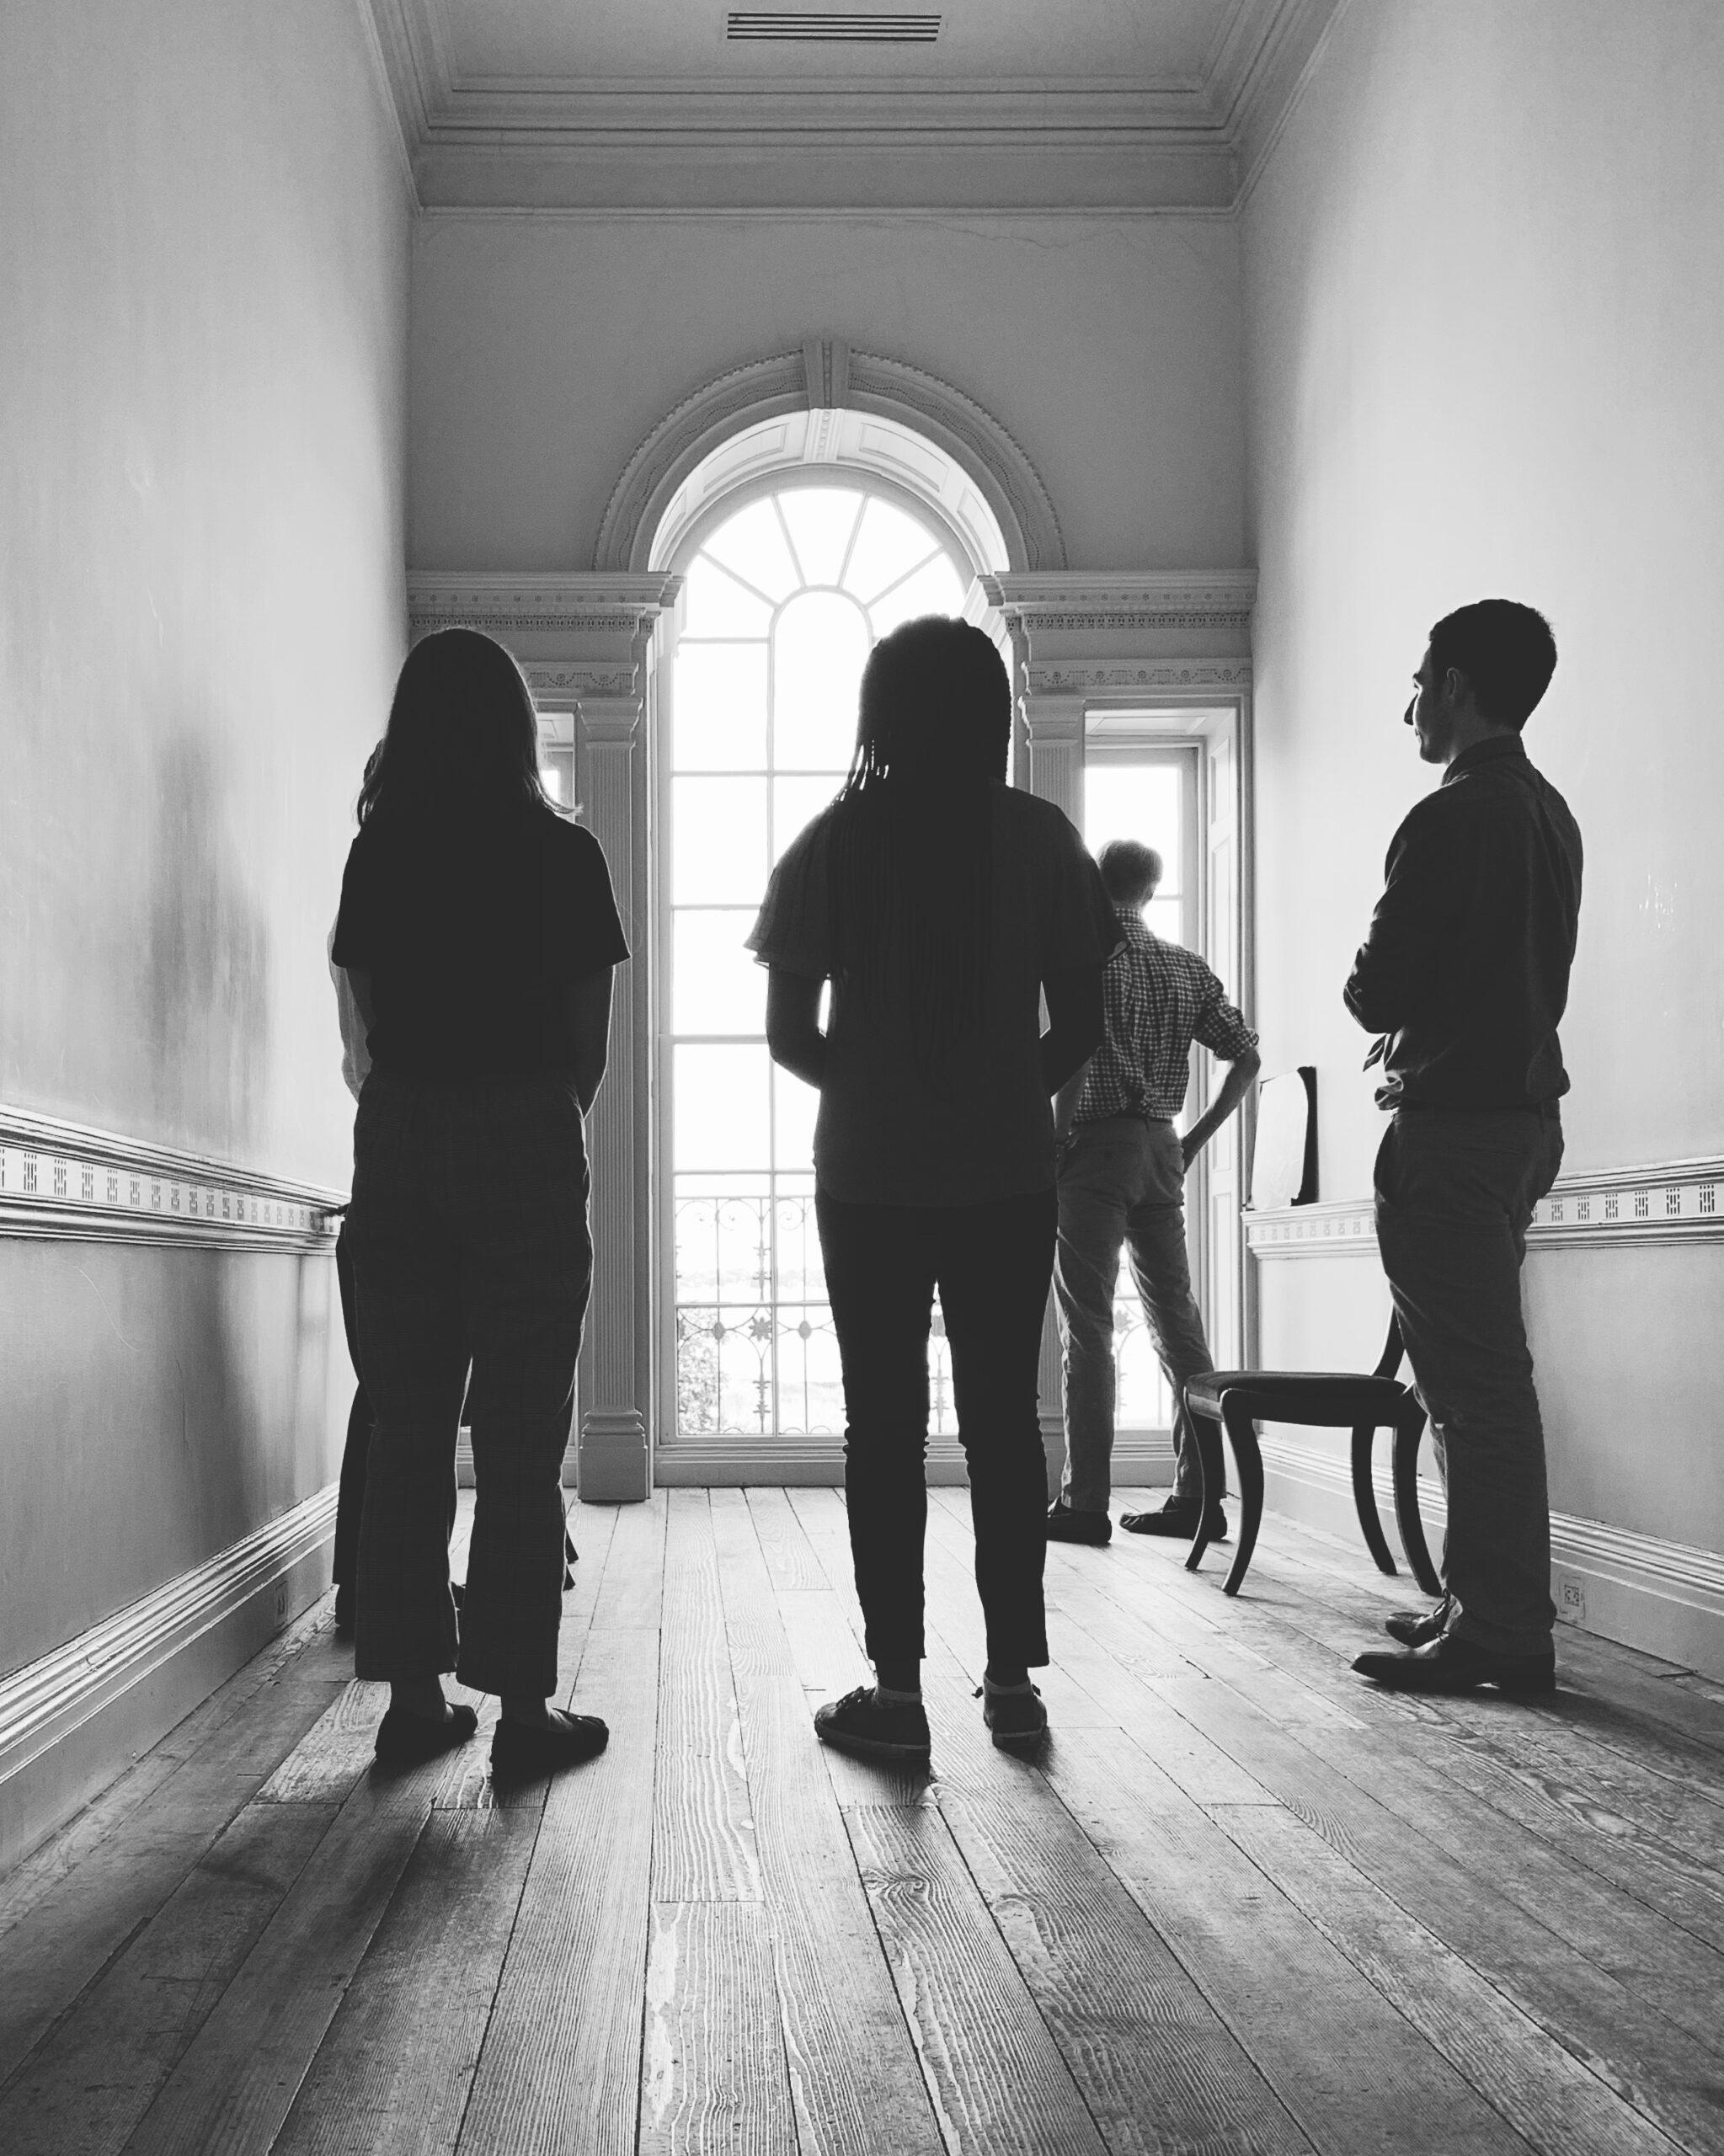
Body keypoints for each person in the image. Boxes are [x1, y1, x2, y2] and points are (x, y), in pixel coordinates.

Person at [750, 616, 1118, 1764]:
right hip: (1007, 1172)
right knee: (1005, 1423)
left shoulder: (835, 842)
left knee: (883, 1429)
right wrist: (1004, 1088)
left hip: (865, 1173)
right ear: (989, 711)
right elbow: (1082, 1025)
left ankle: (896, 1691)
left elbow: (785, 1034)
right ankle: (1011, 1684)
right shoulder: (1039, 838)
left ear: (881, 713)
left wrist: (875, 1087)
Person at [333, 627, 627, 1772]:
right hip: (522, 1129)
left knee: (408, 1429)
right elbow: (585, 1052)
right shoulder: (562, 856)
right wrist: (529, 1129)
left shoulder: (379, 858)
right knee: (520, 1438)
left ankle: (414, 1703)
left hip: (400, 1136)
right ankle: (518, 1716)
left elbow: (368, 1033)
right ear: (516, 727)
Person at [1346, 600, 1581, 1695]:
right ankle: (1475, 1603)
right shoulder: (1547, 815)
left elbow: (1375, 987)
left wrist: (1377, 1001)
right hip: (1523, 1123)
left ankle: (1498, 1633)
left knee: (1472, 1390)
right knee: (1473, 1383)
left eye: (1416, 681)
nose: (1408, 708)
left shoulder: (1446, 819)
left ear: (1450, 684)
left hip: (1450, 1130)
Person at [1046, 840, 1261, 1546]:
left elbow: (1074, 1051)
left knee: (1088, 1325)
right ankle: (1199, 1496)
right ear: (1150, 889)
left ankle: (1084, 1504)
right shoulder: (1184, 968)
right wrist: (1192, 1141)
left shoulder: (1085, 958)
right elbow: (1246, 1058)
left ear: (1092, 886)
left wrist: (1055, 1138)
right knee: (1177, 1321)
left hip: (1095, 1147)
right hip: (1160, 1146)